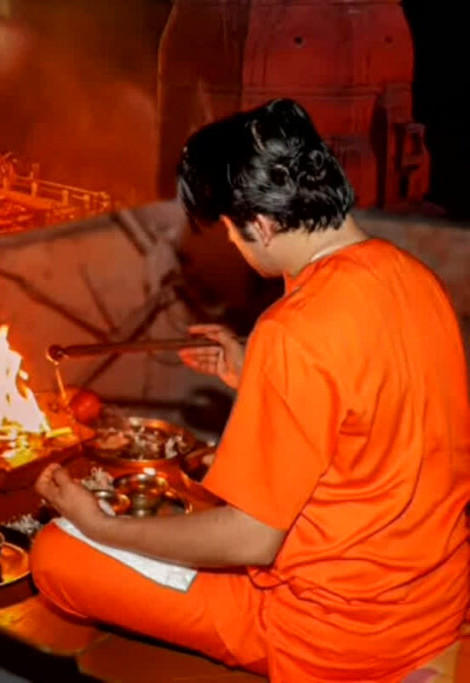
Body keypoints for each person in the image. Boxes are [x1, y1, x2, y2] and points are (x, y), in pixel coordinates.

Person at [29, 99, 470, 682]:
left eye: (232, 232)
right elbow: (382, 420)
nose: (233, 245)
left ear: (261, 225)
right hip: (433, 609)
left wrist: (98, 524)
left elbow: (252, 541)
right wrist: (252, 375)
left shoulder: (295, 328)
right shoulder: (416, 279)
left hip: (332, 635)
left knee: (56, 555)